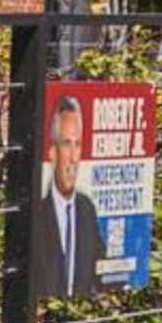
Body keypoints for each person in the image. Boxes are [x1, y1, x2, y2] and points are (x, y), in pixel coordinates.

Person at [36, 86, 103, 297]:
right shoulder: (37, 214)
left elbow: (99, 275)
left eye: (78, 144)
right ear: (53, 152)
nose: (74, 157)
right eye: (66, 144)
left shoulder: (87, 209)